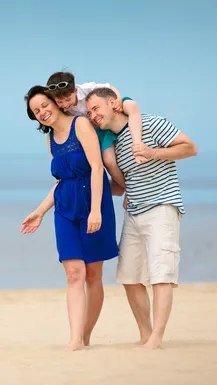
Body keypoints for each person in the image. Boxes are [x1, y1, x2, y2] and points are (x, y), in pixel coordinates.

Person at [85, 87, 198, 349]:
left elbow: (190, 148)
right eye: (89, 112)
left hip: (162, 207)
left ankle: (157, 337)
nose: (93, 115)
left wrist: (153, 152)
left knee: (161, 274)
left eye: (96, 109)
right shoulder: (111, 142)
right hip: (133, 211)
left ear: (113, 103)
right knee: (129, 277)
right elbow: (121, 185)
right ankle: (146, 334)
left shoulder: (150, 123)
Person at [20, 85, 119, 351]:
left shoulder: (81, 125)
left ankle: (85, 336)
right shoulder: (49, 139)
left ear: (54, 101)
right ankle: (75, 339)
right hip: (64, 208)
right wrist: (40, 211)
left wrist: (96, 209)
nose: (42, 112)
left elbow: (97, 167)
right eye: (35, 111)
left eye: (44, 105)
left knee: (92, 276)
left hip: (93, 204)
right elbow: (62, 180)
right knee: (74, 274)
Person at [45, 71, 148, 191]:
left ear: (75, 91)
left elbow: (110, 88)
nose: (65, 105)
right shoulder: (60, 109)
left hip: (111, 112)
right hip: (100, 131)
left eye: (68, 99)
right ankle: (127, 190)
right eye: (60, 102)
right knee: (109, 162)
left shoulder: (86, 89)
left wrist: (118, 99)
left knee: (130, 105)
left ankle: (137, 143)